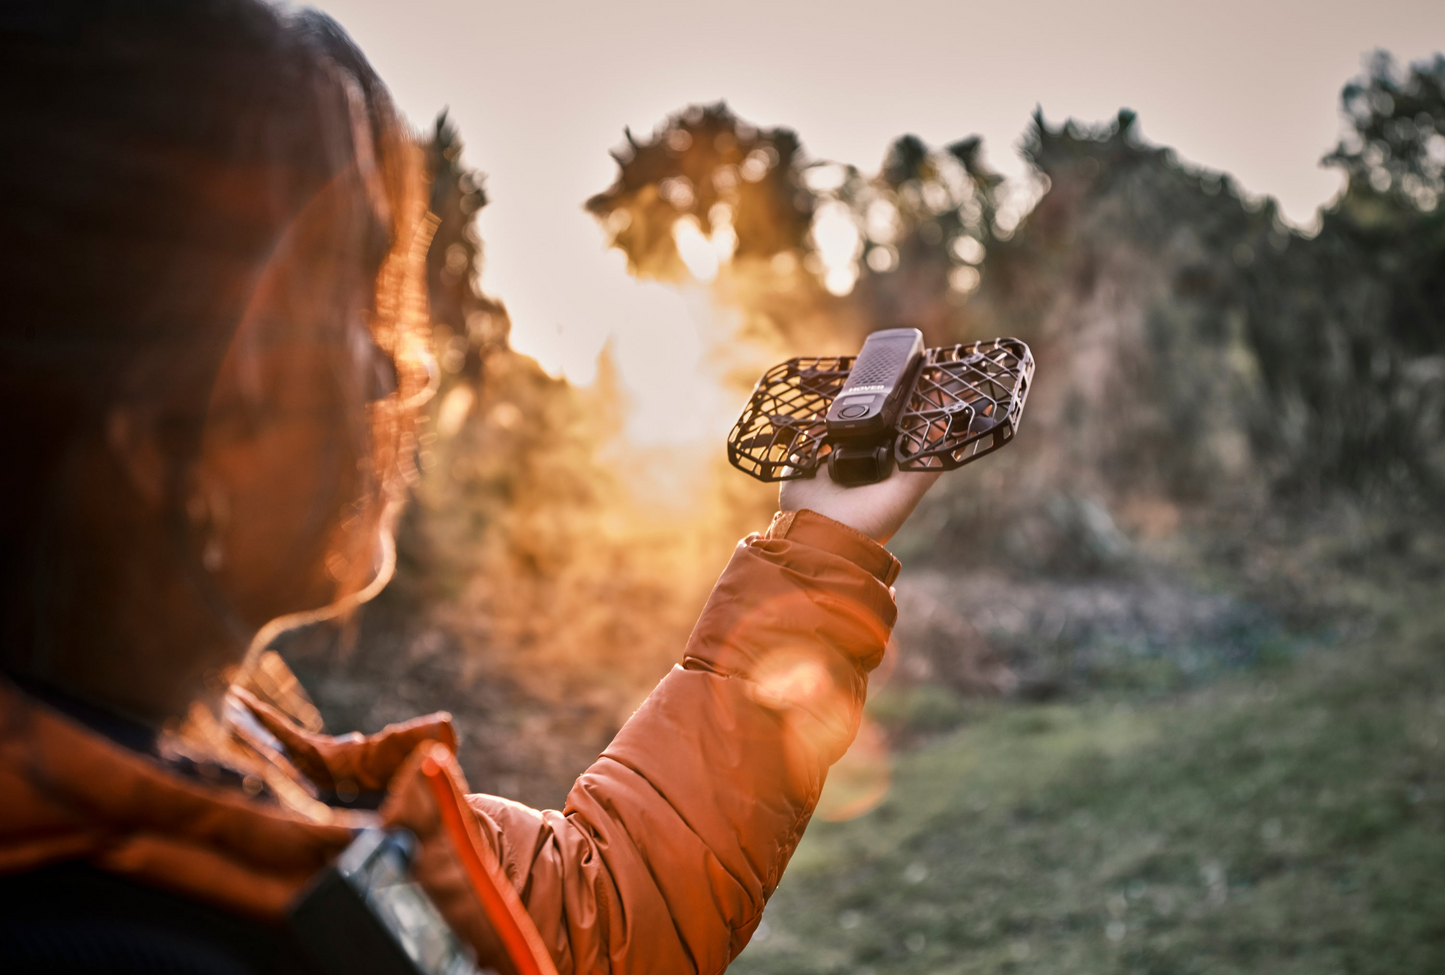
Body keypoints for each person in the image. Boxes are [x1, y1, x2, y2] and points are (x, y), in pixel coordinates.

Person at [0, 2, 940, 973]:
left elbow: (595, 914)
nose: (396, 370)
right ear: (153, 432)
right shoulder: (109, 926)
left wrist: (818, 538)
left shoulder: (220, 775)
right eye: (342, 296)